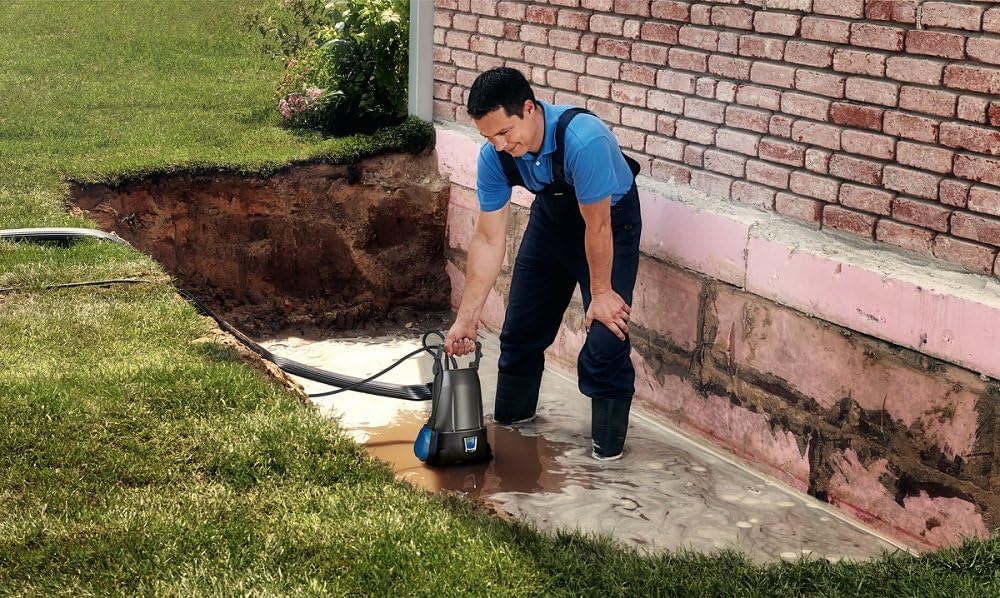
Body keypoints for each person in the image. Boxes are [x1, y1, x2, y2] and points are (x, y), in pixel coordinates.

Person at [444, 67, 642, 461]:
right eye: (489, 137)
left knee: (605, 341)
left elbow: (598, 225)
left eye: (505, 132)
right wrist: (467, 319)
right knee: (519, 333)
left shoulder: (583, 140)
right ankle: (512, 437)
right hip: (551, 224)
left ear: (530, 109)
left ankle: (608, 462)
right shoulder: (494, 157)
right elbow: (488, 239)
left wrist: (602, 293)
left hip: (609, 226)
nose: (500, 145)